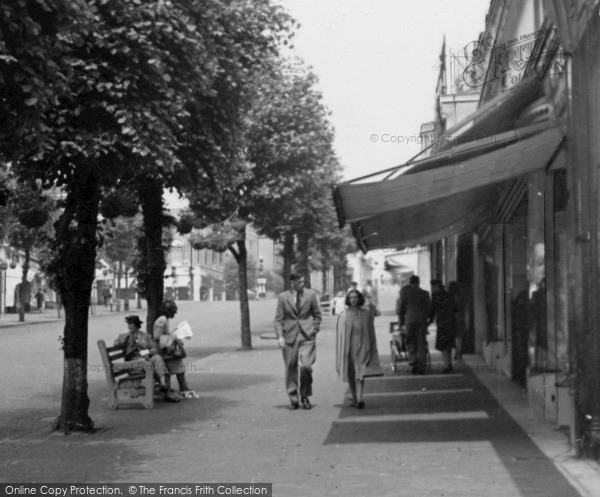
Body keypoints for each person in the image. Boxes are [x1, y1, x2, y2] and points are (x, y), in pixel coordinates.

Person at [274, 273, 322, 410]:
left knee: (306, 366)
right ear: (292, 283)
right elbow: (278, 319)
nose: (302, 283)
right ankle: (293, 398)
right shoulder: (283, 297)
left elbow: (317, 314)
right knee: (291, 367)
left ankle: (305, 395)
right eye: (299, 281)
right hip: (290, 336)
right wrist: (280, 336)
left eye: (303, 281)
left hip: (307, 336)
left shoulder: (311, 295)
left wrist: (314, 329)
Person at [114, 315, 180, 402]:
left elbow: (155, 348)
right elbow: (115, 344)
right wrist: (121, 340)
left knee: (157, 358)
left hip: (147, 362)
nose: (129, 326)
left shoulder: (146, 336)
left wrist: (148, 352)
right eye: (128, 324)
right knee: (151, 363)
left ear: (136, 325)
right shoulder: (125, 336)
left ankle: (163, 385)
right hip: (134, 364)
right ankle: (166, 392)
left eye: (131, 324)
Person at [336, 290, 381, 409]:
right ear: (348, 300)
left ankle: (360, 398)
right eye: (351, 298)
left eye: (356, 297)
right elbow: (340, 336)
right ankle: (354, 398)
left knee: (360, 371)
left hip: (363, 344)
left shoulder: (367, 314)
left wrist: (371, 347)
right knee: (351, 372)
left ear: (359, 298)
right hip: (349, 346)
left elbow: (371, 332)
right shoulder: (343, 315)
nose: (354, 300)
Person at [153, 299, 192, 397]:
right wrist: (173, 337)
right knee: (179, 366)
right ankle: (183, 388)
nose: (174, 313)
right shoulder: (162, 320)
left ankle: (184, 387)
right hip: (163, 351)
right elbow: (157, 337)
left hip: (166, 350)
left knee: (180, 366)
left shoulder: (164, 319)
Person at [399, 275, 431, 375]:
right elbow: (429, 308)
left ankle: (413, 363)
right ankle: (422, 366)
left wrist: (401, 321)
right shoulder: (425, 293)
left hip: (410, 321)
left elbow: (402, 308)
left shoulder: (406, 293)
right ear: (418, 282)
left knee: (411, 342)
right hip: (421, 321)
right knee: (421, 342)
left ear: (410, 282)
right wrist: (427, 319)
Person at [429, 279, 457, 373]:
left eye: (432, 286)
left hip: (442, 323)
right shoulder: (449, 294)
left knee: (443, 346)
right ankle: (449, 364)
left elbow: (433, 309)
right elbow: (455, 308)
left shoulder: (435, 295)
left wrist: (429, 321)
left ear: (436, 286)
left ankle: (446, 366)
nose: (432, 288)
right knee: (448, 344)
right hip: (451, 322)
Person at [447, 281, 464, 360]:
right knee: (459, 336)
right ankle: (458, 351)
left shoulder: (450, 296)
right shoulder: (460, 296)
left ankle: (456, 351)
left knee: (454, 335)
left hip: (453, 318)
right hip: (460, 318)